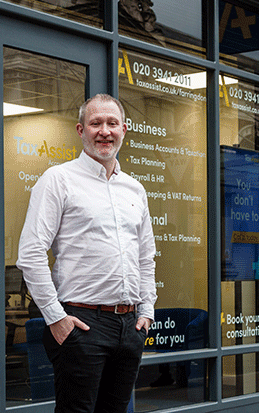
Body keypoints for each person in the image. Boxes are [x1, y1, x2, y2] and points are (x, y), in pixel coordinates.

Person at [17, 93, 157, 413]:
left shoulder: (135, 190)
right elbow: (31, 252)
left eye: (112, 123)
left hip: (129, 326)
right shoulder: (58, 180)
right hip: (81, 324)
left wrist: (146, 312)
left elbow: (145, 257)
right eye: (95, 123)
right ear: (81, 130)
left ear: (124, 129)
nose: (104, 131)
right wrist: (56, 318)